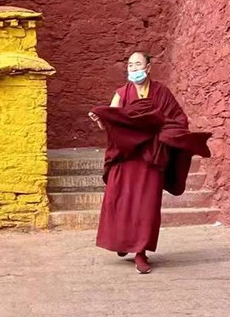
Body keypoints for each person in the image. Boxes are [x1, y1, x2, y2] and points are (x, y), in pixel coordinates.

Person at [89, 52, 211, 274]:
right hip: (126, 157)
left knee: (146, 207)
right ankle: (124, 242)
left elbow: (179, 119)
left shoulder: (161, 93)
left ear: (148, 67)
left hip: (151, 159)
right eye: (130, 65)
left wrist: (161, 133)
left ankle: (140, 251)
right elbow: (113, 123)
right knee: (121, 202)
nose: (133, 68)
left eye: (138, 64)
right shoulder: (121, 94)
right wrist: (101, 120)